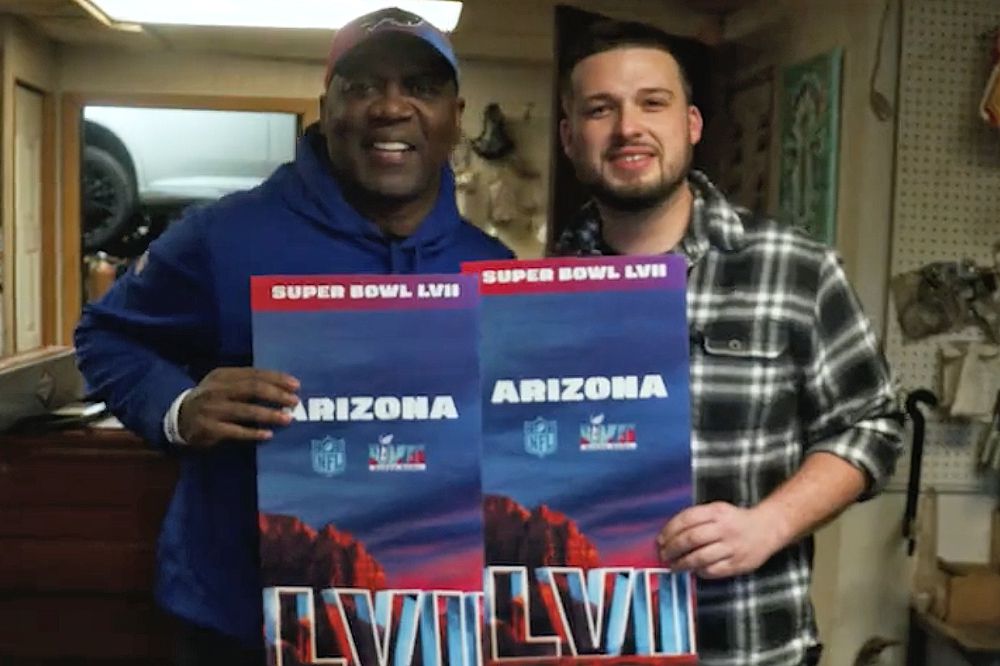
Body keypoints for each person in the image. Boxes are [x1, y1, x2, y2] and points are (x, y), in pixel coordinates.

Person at [74, 8, 511, 664]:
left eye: (420, 87)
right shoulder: (224, 237)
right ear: (324, 107)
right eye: (361, 86)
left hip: (428, 621)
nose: (390, 107)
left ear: (456, 114)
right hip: (241, 622)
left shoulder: (494, 269)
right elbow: (105, 334)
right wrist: (180, 407)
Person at [554, 19, 903, 666]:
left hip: (748, 645)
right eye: (601, 109)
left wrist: (766, 524)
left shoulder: (794, 268)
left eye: (652, 103)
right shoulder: (532, 294)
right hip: (581, 643)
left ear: (690, 125)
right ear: (571, 138)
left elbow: (873, 426)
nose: (629, 127)